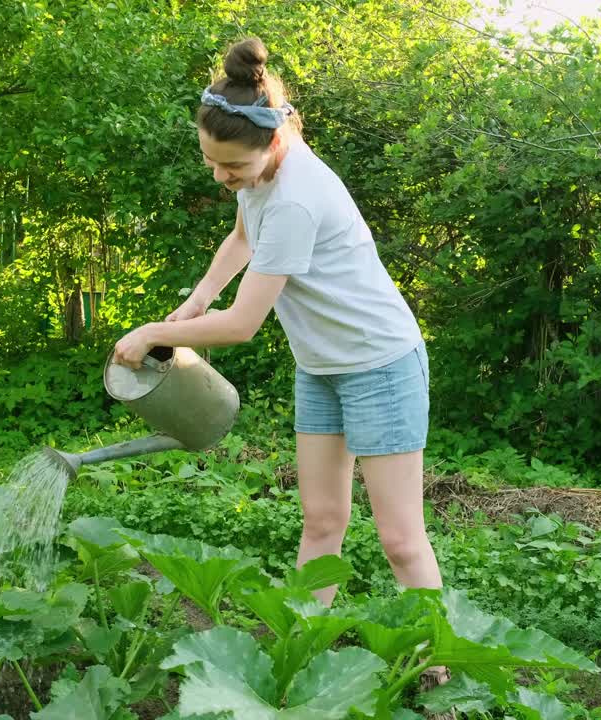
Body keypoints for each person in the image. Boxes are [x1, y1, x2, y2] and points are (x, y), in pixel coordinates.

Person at [112, 37, 442, 606]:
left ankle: (437, 657)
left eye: (232, 165)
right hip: (321, 367)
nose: (220, 176)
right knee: (320, 522)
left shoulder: (294, 199)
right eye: (210, 161)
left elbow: (242, 324)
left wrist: (154, 333)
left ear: (271, 141)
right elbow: (242, 236)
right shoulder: (263, 177)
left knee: (400, 539)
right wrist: (194, 303)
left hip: (381, 365)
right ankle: (304, 640)